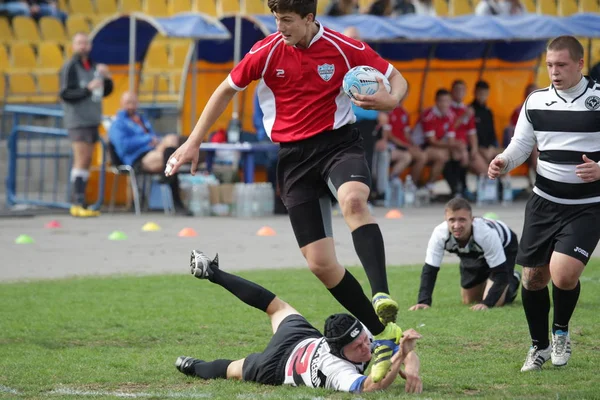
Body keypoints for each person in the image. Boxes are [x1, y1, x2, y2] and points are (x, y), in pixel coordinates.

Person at [165, 0, 408, 381]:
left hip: (338, 145)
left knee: (354, 200)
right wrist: (194, 141)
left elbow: (396, 77)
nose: (280, 27)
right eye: (277, 19)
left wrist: (390, 99)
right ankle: (382, 334)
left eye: (288, 20)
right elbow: (225, 90)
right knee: (320, 264)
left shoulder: (344, 47)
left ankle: (380, 297)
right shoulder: (265, 51)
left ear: (310, 19)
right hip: (293, 159)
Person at [488, 36, 600, 372]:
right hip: (544, 203)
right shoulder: (535, 101)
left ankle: (562, 332)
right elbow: (521, 145)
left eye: (562, 65)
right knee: (533, 278)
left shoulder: (597, 99)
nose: (554, 71)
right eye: (550, 65)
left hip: (587, 206)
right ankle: (538, 347)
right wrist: (504, 162)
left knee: (563, 276)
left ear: (579, 64)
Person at [175, 250, 423, 394]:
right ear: (339, 351)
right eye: (357, 347)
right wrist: (400, 356)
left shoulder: (359, 336)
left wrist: (410, 361)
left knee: (276, 306)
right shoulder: (336, 369)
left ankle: (212, 272)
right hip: (278, 365)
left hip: (303, 338)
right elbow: (370, 387)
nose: (366, 348)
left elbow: (393, 338)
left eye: (363, 341)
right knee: (232, 370)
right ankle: (193, 366)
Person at [409, 197, 521, 311]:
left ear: (472, 220)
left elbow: (500, 274)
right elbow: (430, 270)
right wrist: (423, 302)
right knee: (469, 301)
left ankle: (513, 280)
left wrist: (487, 303)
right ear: (446, 220)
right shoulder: (440, 234)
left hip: (505, 246)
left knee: (496, 302)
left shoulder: (485, 234)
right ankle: (488, 282)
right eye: (452, 220)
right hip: (472, 251)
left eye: (462, 220)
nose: (457, 226)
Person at [108, 92, 192, 215]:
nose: (131, 106)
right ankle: (176, 200)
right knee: (170, 159)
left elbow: (154, 136)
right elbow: (123, 146)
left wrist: (155, 140)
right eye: (128, 103)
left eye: (134, 103)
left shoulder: (142, 120)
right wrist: (148, 140)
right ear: (121, 104)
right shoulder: (117, 123)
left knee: (171, 139)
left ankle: (167, 176)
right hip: (135, 157)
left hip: (152, 152)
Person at [60, 32, 113, 218]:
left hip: (92, 119)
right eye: (79, 43)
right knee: (81, 159)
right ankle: (77, 201)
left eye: (85, 43)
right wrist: (86, 89)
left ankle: (81, 200)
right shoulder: (70, 67)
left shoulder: (94, 66)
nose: (83, 46)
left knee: (88, 160)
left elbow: (104, 92)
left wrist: (107, 79)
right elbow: (65, 94)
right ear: (74, 46)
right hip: (77, 120)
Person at [449, 80, 488, 197]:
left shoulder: (466, 109)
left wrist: (474, 149)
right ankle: (458, 188)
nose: (460, 92)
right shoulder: (448, 108)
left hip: (466, 146)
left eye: (462, 90)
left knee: (484, 169)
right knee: (459, 154)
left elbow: (472, 133)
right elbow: (449, 129)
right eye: (457, 90)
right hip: (451, 145)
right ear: (452, 92)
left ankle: (484, 193)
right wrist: (463, 117)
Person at [504, 83, 539, 175]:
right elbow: (515, 134)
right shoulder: (518, 111)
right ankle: (542, 179)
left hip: (543, 144)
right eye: (530, 94)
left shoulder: (545, 110)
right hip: (525, 145)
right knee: (535, 149)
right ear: (525, 95)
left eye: (535, 93)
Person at [472, 80, 500, 166]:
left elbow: (492, 133)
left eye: (485, 94)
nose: (482, 96)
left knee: (504, 160)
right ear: (475, 92)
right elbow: (471, 134)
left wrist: (492, 147)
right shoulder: (470, 110)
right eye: (480, 93)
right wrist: (480, 148)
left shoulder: (488, 112)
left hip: (489, 148)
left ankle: (504, 179)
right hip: (477, 148)